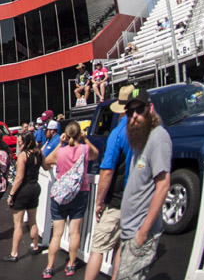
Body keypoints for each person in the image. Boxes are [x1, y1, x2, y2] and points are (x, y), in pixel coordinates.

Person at [117, 88, 171, 280]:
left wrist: (143, 232)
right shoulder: (140, 138)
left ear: (150, 108)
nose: (135, 116)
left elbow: (163, 185)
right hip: (130, 230)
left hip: (140, 232)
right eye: (130, 112)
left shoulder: (158, 137)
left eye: (139, 109)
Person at [42, 121, 99, 278]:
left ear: (66, 134)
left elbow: (46, 163)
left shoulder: (60, 152)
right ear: (79, 133)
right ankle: (71, 264)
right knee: (75, 232)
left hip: (60, 196)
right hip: (80, 193)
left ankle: (49, 267)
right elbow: (96, 154)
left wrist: (60, 143)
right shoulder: (84, 149)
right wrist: (85, 139)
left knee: (57, 234)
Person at [87, 86, 133, 280]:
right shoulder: (147, 130)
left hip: (117, 199)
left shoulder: (118, 132)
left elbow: (107, 171)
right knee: (121, 244)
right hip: (136, 198)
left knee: (98, 247)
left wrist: (99, 201)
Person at [3, 131, 43, 261]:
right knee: (33, 220)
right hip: (35, 187)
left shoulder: (23, 156)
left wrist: (11, 194)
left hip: (23, 190)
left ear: (26, 142)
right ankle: (36, 246)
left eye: (20, 141)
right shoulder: (39, 153)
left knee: (18, 224)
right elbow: (47, 166)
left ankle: (14, 253)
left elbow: (19, 178)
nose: (18, 143)